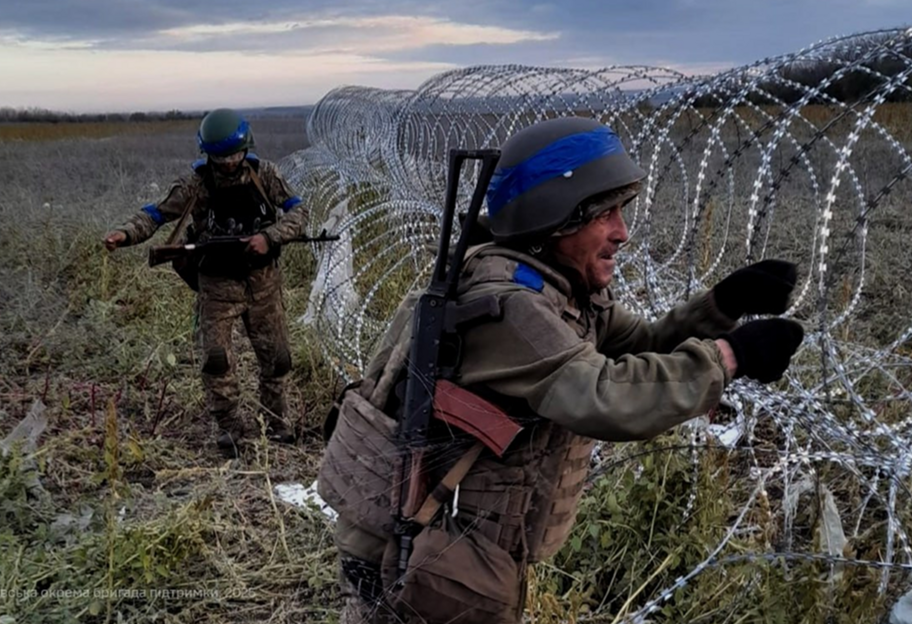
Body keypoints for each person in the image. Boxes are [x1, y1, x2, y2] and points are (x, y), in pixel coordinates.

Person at [316, 116, 804, 623]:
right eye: (606, 214)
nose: (623, 232)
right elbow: (605, 398)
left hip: (454, 539)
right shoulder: (510, 306)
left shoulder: (558, 288)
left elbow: (637, 345)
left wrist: (721, 306)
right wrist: (728, 357)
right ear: (557, 218)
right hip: (409, 551)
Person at [103, 108, 308, 458]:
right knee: (216, 360)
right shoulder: (195, 184)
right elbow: (155, 214)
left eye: (234, 154)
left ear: (246, 148)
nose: (228, 162)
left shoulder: (266, 175)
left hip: (263, 285)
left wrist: (270, 237)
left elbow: (300, 211)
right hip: (217, 286)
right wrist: (125, 234)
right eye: (220, 156)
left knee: (277, 359)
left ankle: (276, 422)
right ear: (207, 154)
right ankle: (229, 427)